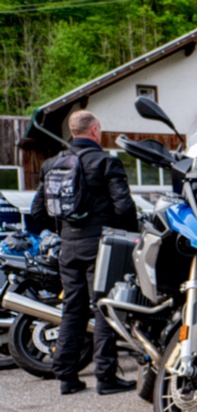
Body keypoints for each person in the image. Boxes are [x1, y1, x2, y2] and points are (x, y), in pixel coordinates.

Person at [31, 110, 139, 395]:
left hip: (68, 245)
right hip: (101, 244)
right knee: (103, 307)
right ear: (94, 131)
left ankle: (66, 377)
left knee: (73, 309)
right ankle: (106, 377)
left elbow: (37, 212)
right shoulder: (106, 162)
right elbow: (125, 208)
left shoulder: (52, 164)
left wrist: (63, 232)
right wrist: (126, 235)